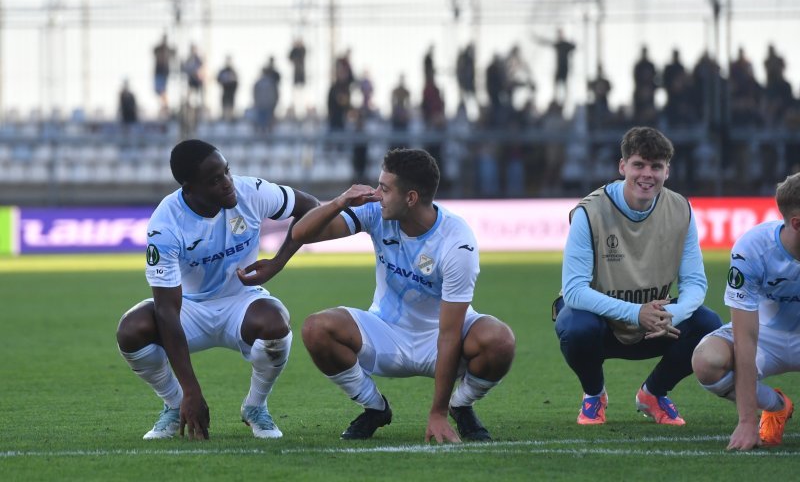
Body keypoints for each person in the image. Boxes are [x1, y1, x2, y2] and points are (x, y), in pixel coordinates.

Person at [292, 148, 516, 442]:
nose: (376, 193)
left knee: (500, 341)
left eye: (384, 188)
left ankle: (459, 406)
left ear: (410, 198)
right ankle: (374, 407)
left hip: (441, 338)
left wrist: (436, 412)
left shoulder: (457, 242)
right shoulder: (376, 211)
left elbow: (449, 334)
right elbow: (301, 234)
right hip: (386, 331)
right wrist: (339, 201)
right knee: (315, 328)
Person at [115, 139, 320, 440]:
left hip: (242, 300)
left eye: (226, 172)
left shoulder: (251, 192)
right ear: (189, 188)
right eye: (214, 180)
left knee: (276, 324)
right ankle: (174, 406)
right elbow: (167, 311)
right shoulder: (166, 222)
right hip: (190, 308)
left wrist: (278, 261)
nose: (227, 184)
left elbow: (311, 208)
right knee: (131, 330)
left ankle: (255, 406)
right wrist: (190, 392)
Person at [553, 126, 722, 426]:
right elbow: (574, 290)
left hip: (656, 324)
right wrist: (636, 313)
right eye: (639, 164)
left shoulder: (680, 209)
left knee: (709, 324)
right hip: (601, 325)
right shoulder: (589, 212)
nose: (647, 174)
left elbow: (695, 283)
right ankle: (594, 395)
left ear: (667, 170)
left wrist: (672, 312)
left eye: (656, 166)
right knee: (574, 325)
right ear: (622, 167)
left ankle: (653, 393)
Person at [692, 172, 800, 451]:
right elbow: (746, 339)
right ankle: (776, 405)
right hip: (764, 334)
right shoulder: (752, 249)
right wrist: (747, 421)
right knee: (707, 361)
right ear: (798, 223)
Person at [153, 33, 175, 117]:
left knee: (162, 90)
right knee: (159, 90)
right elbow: (154, 51)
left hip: (163, 73)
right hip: (159, 73)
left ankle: (165, 107)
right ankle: (164, 106)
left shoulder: (168, 49)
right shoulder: (158, 49)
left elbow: (173, 53)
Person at [216, 56, 239, 122]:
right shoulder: (223, 71)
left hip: (231, 91)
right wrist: (224, 82)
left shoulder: (233, 71)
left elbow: (236, 81)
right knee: (224, 103)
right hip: (225, 90)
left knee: (231, 104)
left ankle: (231, 117)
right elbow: (218, 79)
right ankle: (224, 116)